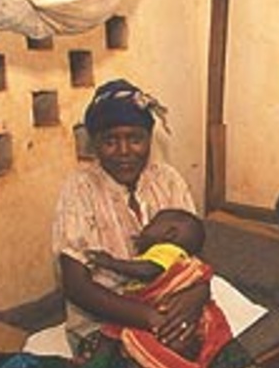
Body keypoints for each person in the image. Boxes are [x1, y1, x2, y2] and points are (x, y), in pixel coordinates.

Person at [52, 78, 209, 363]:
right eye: (110, 141)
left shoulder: (167, 179)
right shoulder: (80, 189)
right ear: (95, 144)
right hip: (104, 321)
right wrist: (149, 318)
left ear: (149, 138)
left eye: (135, 139)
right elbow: (76, 286)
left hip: (167, 305)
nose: (124, 151)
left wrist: (196, 296)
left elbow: (192, 254)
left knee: (208, 345)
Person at [85, 209, 233, 366]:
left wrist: (111, 262)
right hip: (150, 311)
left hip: (164, 312)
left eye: (150, 225)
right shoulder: (170, 254)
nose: (143, 229)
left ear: (170, 234)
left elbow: (147, 270)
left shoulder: (167, 250)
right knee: (112, 329)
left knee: (118, 333)